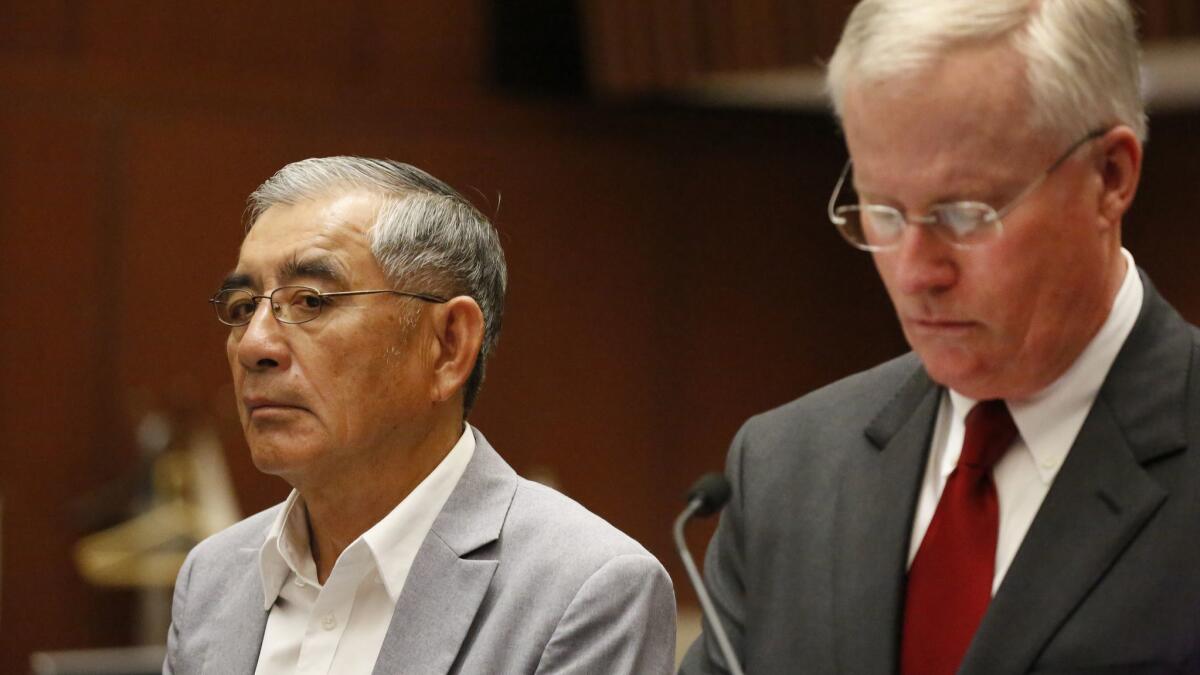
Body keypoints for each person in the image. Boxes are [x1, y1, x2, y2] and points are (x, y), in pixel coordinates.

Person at [681, 1, 1200, 673]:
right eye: (884, 212)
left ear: (1110, 177)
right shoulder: (786, 470)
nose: (918, 270)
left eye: (965, 213)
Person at [165, 158, 676, 674]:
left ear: (448, 345)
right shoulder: (212, 578)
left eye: (312, 302)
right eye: (241, 306)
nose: (254, 345)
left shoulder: (583, 589)